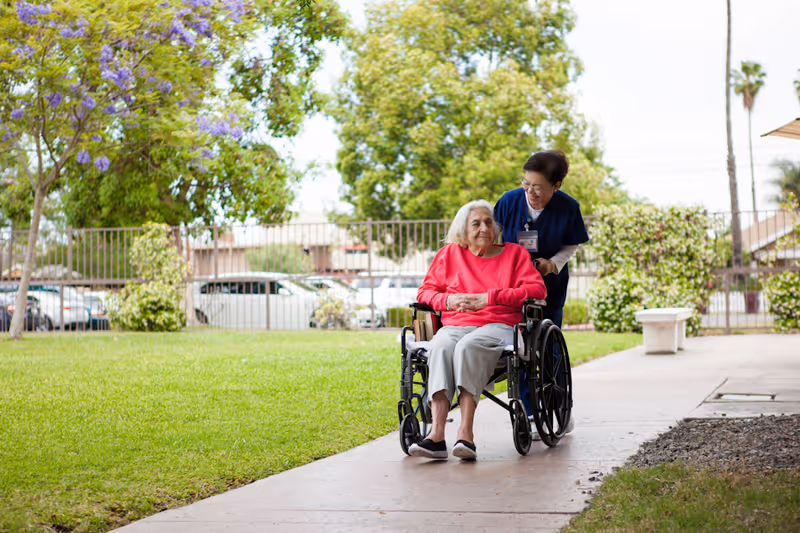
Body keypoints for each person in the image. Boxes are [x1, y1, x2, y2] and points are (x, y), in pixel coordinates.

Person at [408, 200, 546, 460]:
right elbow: (425, 292)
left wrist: (490, 298)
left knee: (468, 346)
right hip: (457, 324)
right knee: (441, 345)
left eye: (488, 222)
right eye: (476, 223)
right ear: (463, 230)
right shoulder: (449, 255)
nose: (484, 228)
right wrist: (448, 301)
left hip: (500, 325)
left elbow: (537, 290)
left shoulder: (515, 254)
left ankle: (465, 434)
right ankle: (436, 436)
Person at [493, 150, 589, 434]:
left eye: (538, 187)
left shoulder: (568, 207)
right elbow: (492, 240)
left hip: (550, 286)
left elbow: (571, 245)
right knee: (520, 349)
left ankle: (560, 406)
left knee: (549, 350)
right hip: (513, 289)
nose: (531, 192)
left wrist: (552, 264)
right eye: (527, 184)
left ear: (556, 186)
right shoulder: (508, 202)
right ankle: (530, 413)